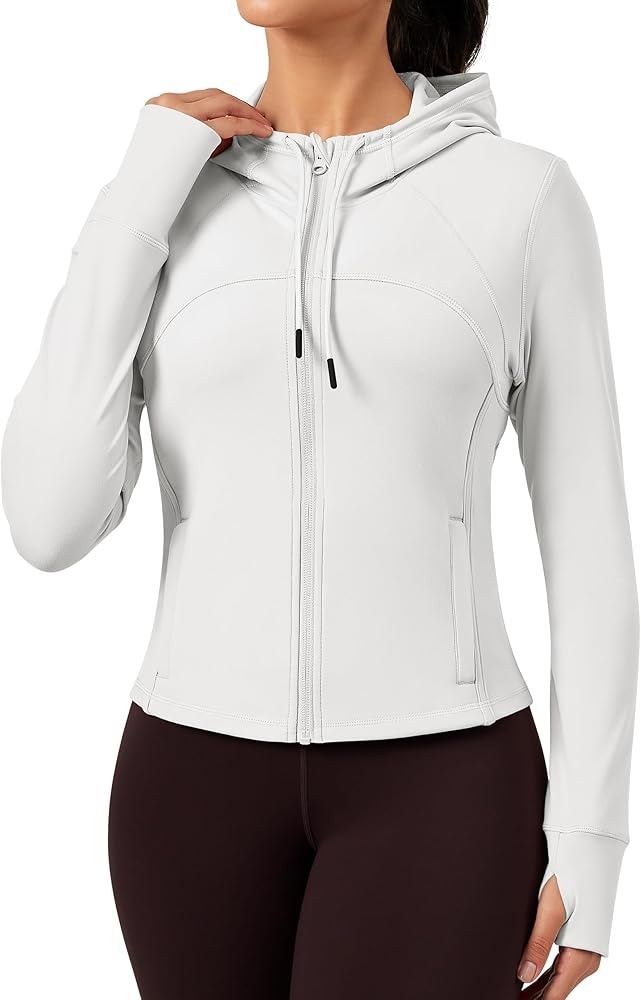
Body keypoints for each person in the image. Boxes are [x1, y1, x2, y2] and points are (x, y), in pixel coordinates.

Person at [2, 1, 638, 997]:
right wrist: (133, 202)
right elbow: (47, 524)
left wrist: (592, 834)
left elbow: (588, 540)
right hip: (188, 783)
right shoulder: (165, 194)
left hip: (445, 782)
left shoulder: (519, 199)